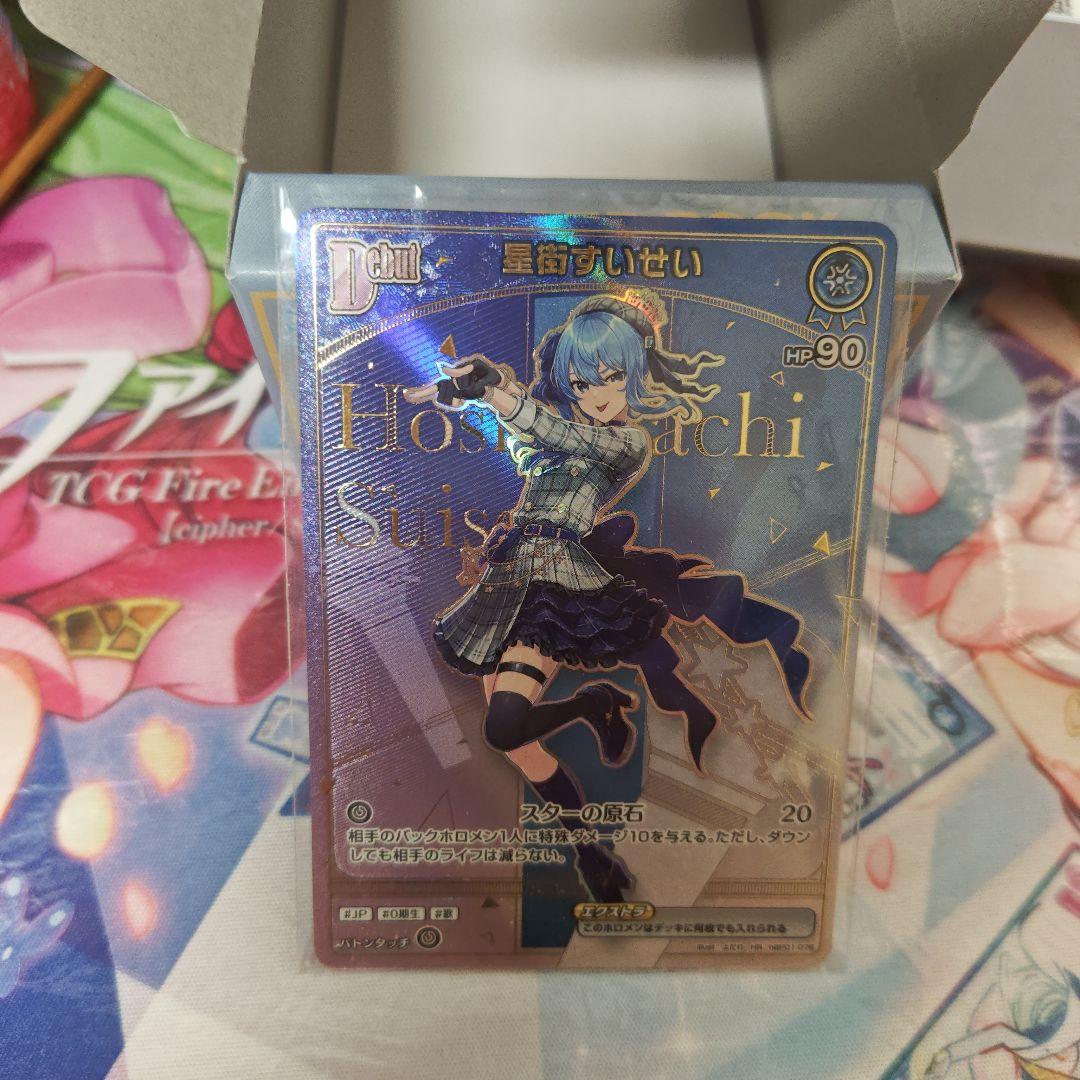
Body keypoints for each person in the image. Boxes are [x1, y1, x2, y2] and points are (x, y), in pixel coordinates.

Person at [405, 291, 811, 901]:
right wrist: (477, 393)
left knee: (505, 725)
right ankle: (591, 854)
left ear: (635, 375)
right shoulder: (552, 440)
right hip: (508, 576)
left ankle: (593, 703)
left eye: (613, 376)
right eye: (581, 380)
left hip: (554, 581)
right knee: (517, 745)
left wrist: (498, 395)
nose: (598, 392)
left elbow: (556, 431)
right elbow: (530, 436)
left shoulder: (626, 444)